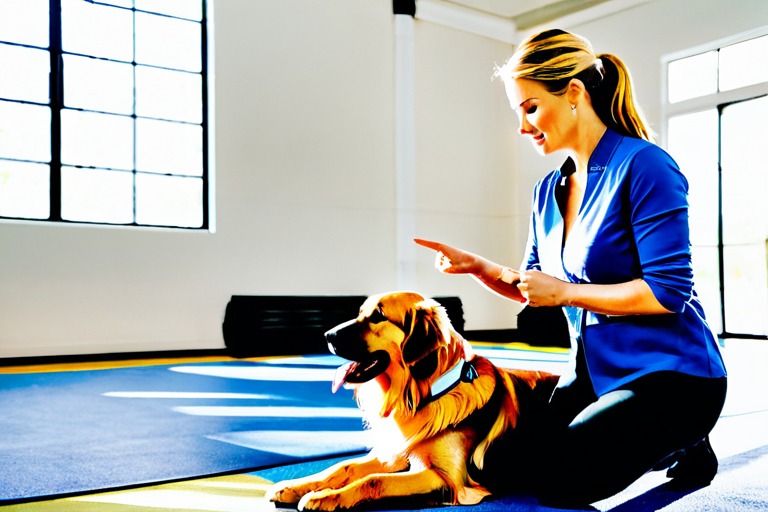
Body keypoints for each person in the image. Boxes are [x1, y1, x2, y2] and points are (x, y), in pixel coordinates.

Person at [414, 28, 727, 507]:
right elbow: (533, 287)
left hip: (673, 376)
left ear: (575, 93)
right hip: (592, 374)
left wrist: (564, 293)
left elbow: (667, 293)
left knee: (556, 480)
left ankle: (684, 439)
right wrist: (478, 266)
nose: (522, 127)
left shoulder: (646, 166)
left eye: (530, 108)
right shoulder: (548, 190)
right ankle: (643, 438)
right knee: (491, 464)